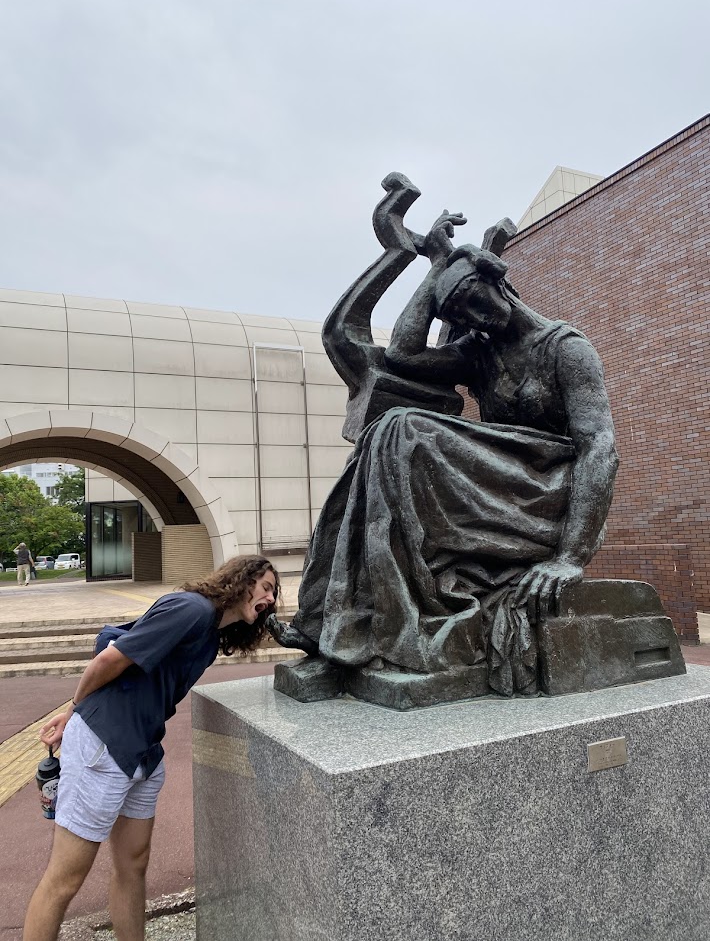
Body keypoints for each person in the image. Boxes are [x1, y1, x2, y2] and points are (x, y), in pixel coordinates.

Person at [289, 210, 619, 697]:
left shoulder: (567, 348)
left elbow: (600, 449)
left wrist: (571, 557)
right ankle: (334, 624)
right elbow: (402, 354)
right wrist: (437, 269)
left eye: (475, 302)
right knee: (382, 436)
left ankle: (361, 628)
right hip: (503, 480)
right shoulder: (480, 352)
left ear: (497, 282)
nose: (475, 320)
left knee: (403, 428)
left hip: (547, 491)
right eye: (460, 316)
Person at [23, 554, 279, 941]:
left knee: (133, 864)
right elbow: (110, 660)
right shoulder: (192, 610)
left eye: (274, 594)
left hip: (143, 752)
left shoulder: (210, 635)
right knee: (65, 878)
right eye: (267, 587)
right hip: (105, 745)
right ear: (243, 580)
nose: (271, 599)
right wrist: (74, 711)